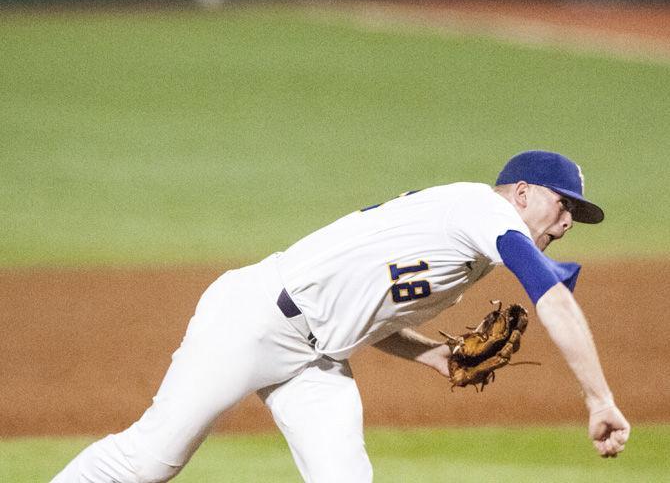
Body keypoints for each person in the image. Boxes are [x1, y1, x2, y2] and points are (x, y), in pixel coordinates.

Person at [52, 150, 630, 482]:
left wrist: (433, 353)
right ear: (523, 192)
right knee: (152, 458)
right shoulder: (482, 210)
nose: (567, 222)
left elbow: (364, 311)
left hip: (315, 358)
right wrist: (599, 398)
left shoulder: (473, 251)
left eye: (576, 213)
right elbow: (552, 298)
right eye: (563, 204)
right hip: (254, 320)